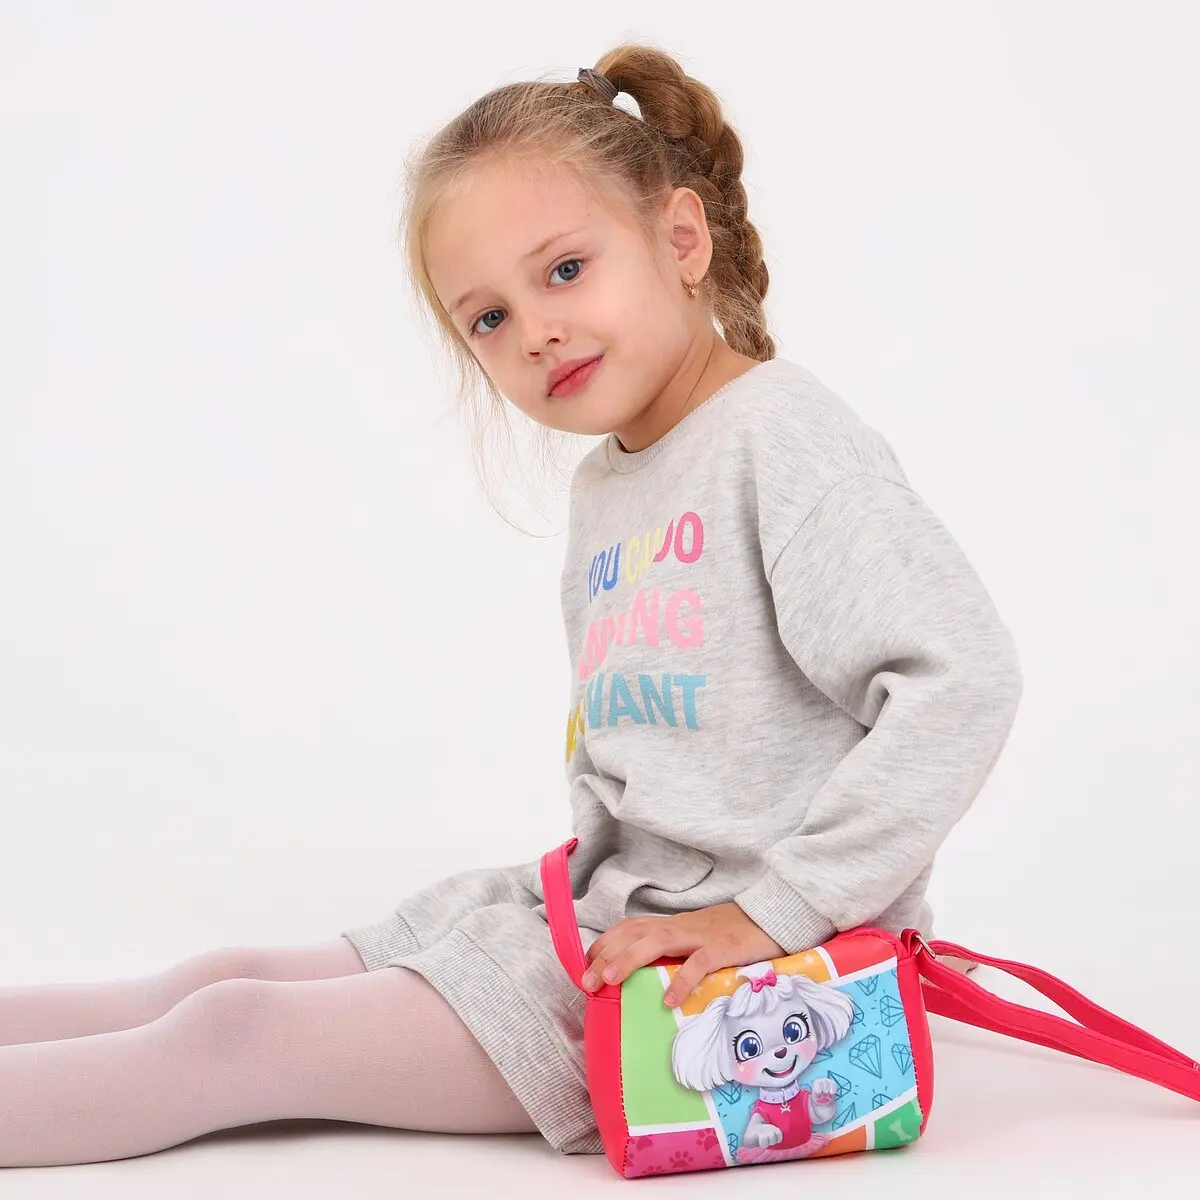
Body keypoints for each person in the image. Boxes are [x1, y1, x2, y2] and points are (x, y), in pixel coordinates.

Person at [0, 42, 1021, 1169]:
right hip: (609, 907)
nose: (534, 330)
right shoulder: (612, 483)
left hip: (728, 981)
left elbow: (962, 679)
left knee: (232, 1037)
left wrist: (775, 911)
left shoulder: (782, 440)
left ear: (682, 240)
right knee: (222, 981)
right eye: (487, 318)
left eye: (565, 271)